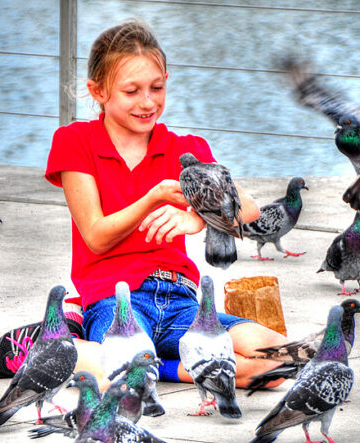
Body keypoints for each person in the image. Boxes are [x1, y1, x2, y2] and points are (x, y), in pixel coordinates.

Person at [43, 19, 286, 389]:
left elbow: (248, 208)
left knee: (282, 358)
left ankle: (164, 365)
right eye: (131, 91)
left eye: (156, 88)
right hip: (115, 300)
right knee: (120, 375)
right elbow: (95, 235)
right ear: (98, 91)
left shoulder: (184, 150)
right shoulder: (75, 141)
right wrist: (153, 197)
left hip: (183, 301)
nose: (147, 102)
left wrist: (200, 219)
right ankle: (174, 367)